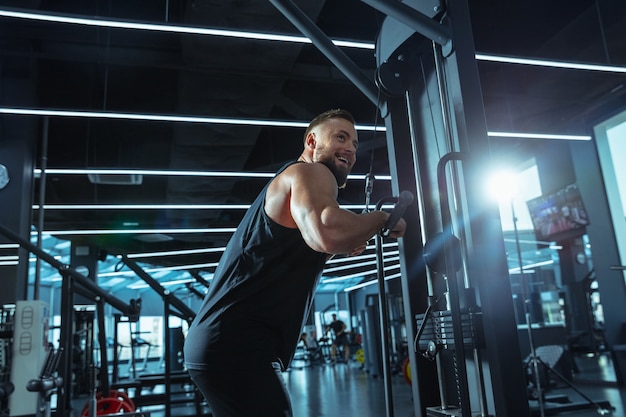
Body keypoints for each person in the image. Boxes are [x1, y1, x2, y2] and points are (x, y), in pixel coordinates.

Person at [183, 109, 407, 417]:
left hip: (226, 343)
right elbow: (326, 232)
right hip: (236, 343)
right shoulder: (310, 173)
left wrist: (339, 245)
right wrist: (380, 218)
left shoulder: (295, 183)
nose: (352, 149)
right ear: (313, 141)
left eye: (355, 143)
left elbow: (307, 245)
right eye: (341, 137)